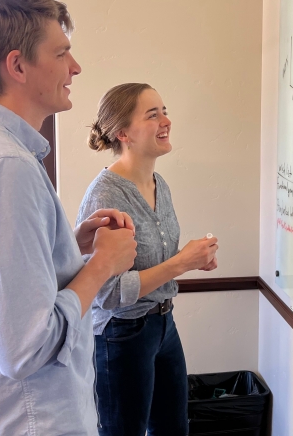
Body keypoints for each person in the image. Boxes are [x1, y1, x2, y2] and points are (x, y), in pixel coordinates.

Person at [0, 0, 138, 435]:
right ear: (17, 66)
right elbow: (24, 347)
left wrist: (64, 245)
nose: (76, 67)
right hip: (26, 421)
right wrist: (101, 266)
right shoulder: (4, 168)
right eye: (61, 53)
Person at [77, 82, 219, 435]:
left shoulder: (160, 184)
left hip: (163, 326)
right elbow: (107, 293)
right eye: (152, 114)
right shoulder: (106, 195)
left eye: (165, 111)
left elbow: (158, 263)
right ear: (123, 132)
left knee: (174, 430)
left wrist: (194, 257)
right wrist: (180, 263)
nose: (165, 121)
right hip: (121, 336)